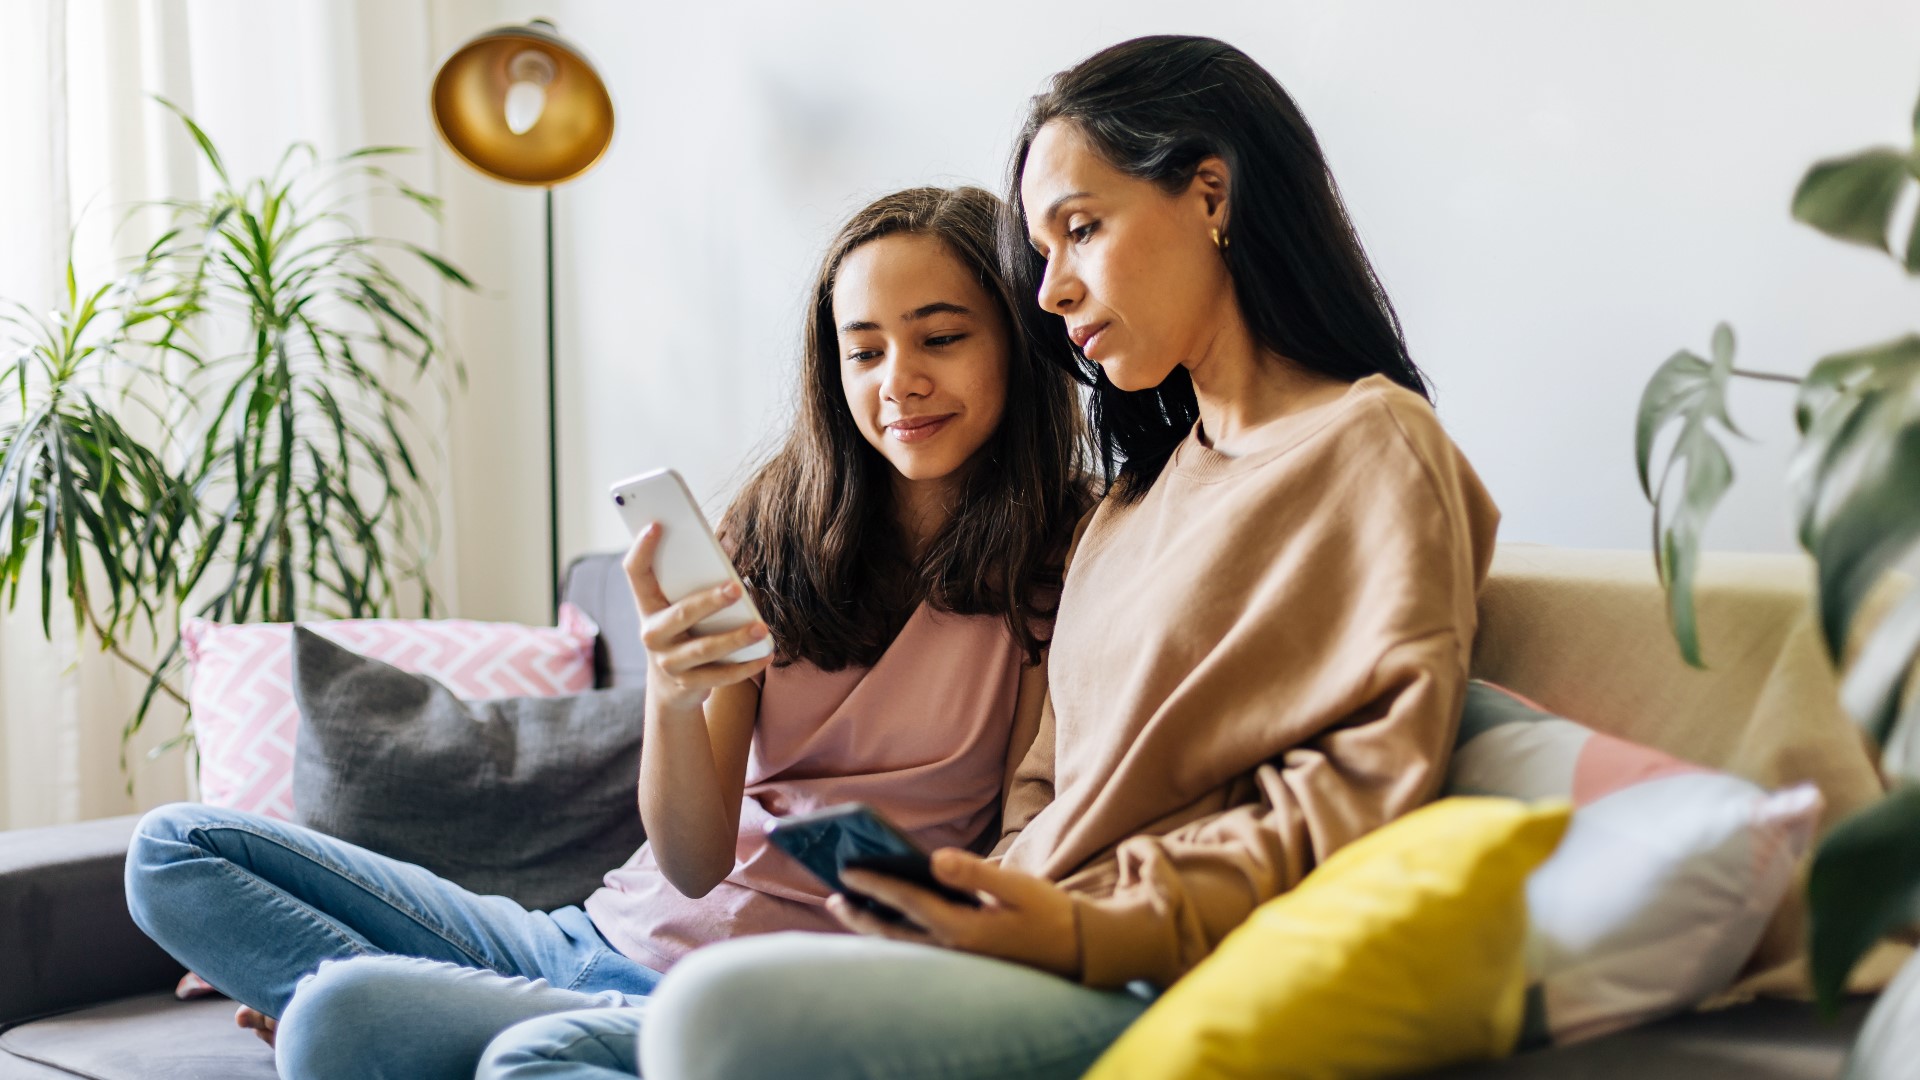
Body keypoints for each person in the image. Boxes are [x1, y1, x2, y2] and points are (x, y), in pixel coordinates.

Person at [607, 34, 1500, 1079]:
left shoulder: (1369, 447)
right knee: (473, 1038)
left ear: (1211, 195)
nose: (1051, 293)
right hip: (1000, 949)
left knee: (704, 1023)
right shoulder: (1130, 506)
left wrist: (1076, 932)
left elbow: (1354, 801)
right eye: (1045, 250)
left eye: (1081, 230)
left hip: (1127, 968)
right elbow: (1041, 790)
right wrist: (966, 903)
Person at [122, 184, 1089, 1080]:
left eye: (941, 338)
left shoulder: (1064, 563)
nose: (898, 382)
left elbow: (1021, 842)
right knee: (171, 849)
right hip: (588, 942)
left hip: (753, 1002)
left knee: (337, 1017)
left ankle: (456, 1025)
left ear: (1014, 336)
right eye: (865, 350)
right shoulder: (776, 529)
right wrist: (673, 696)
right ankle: (482, 1019)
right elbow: (694, 861)